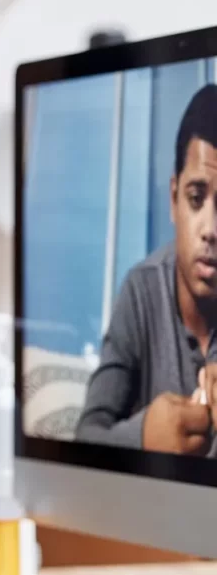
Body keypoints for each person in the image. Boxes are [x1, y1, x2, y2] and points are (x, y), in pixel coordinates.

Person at [76, 83, 217, 455]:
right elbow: (87, 435)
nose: (211, 229)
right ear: (174, 200)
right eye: (196, 198)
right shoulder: (141, 291)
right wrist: (142, 437)